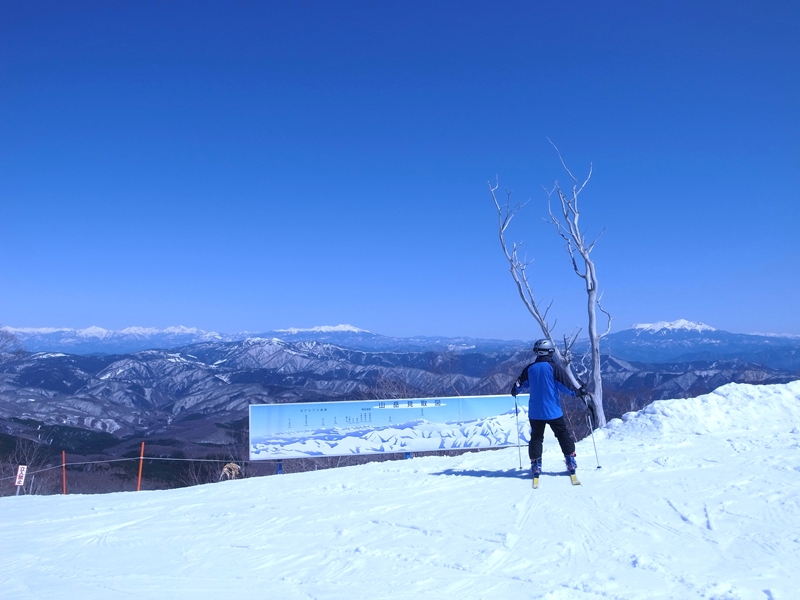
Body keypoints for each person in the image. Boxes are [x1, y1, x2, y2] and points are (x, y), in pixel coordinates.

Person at [510, 339, 588, 476]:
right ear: (550, 352)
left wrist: (515, 392)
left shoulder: (529, 368)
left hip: (535, 412)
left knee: (536, 437)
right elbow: (566, 386)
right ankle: (570, 460)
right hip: (553, 411)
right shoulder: (554, 368)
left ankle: (535, 464)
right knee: (563, 435)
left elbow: (518, 386)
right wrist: (578, 392)